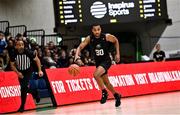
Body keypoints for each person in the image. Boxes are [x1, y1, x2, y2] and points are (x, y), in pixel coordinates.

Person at [75, 24, 121, 107]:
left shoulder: (106, 37)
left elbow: (116, 40)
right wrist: (76, 56)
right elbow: (80, 47)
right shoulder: (89, 38)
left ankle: (104, 92)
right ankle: (116, 95)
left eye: (98, 29)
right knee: (107, 83)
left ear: (101, 29)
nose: (97, 31)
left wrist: (118, 54)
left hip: (106, 61)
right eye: (95, 30)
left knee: (96, 74)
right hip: (98, 62)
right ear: (92, 31)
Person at [10, 40, 43, 112]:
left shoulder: (28, 52)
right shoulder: (13, 53)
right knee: (23, 88)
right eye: (19, 45)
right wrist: (18, 73)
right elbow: (12, 65)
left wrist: (40, 70)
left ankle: (22, 107)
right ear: (16, 46)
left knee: (23, 88)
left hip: (28, 70)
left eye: (22, 45)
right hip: (20, 71)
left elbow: (37, 60)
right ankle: (35, 93)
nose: (21, 46)